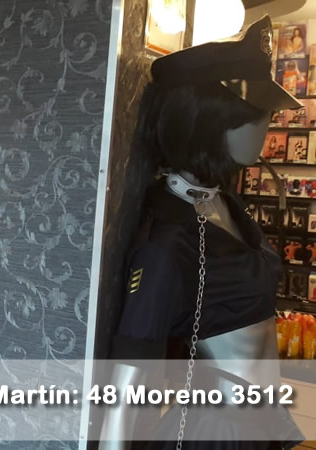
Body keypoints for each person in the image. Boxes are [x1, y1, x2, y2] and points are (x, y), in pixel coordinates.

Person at [99, 16, 304, 449]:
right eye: (253, 114)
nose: (267, 124)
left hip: (258, 423)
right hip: (217, 433)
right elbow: (127, 379)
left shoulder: (226, 205)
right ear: (206, 120)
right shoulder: (168, 242)